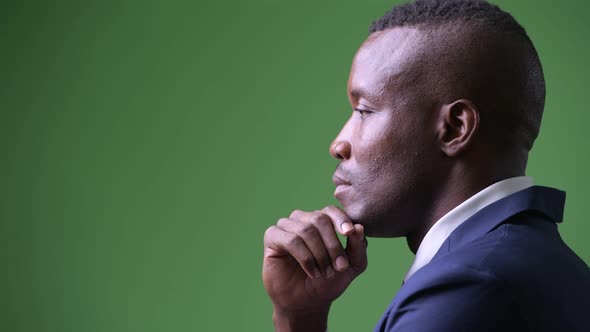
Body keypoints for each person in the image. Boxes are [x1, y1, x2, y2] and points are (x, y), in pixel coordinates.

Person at [262, 0, 590, 331]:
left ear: (454, 128)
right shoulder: (540, 264)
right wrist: (300, 317)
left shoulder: (470, 286)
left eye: (364, 110)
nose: (338, 144)